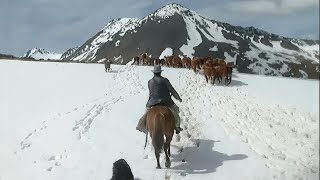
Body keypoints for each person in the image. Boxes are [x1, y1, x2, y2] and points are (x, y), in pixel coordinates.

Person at [136, 65, 183, 134]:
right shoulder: (165, 80)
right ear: (160, 72)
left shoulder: (150, 81)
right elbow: (172, 90)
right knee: (176, 111)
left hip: (152, 102)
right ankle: (177, 126)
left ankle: (141, 125)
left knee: (146, 113)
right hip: (166, 101)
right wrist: (178, 98)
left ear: (154, 73)